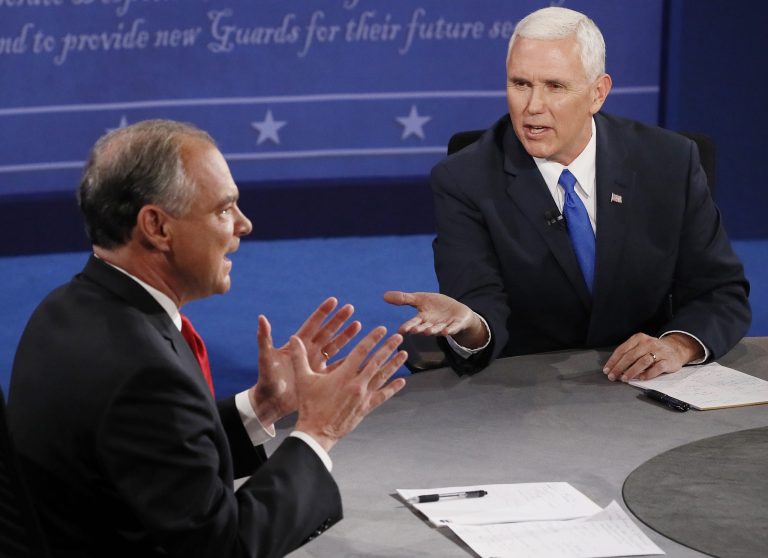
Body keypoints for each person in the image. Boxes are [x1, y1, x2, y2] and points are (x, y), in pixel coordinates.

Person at [7, 120, 407, 558]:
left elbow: (156, 463)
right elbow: (225, 547)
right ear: (157, 226)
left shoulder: (64, 310)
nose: (244, 224)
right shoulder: (143, 370)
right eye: (223, 209)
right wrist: (319, 430)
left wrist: (263, 406)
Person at [386, 6, 750, 381]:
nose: (532, 107)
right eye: (520, 84)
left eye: (554, 86)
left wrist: (677, 346)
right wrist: (469, 324)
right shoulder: (465, 179)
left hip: (647, 384)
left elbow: (719, 292)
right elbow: (481, 307)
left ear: (598, 93)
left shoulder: (668, 162)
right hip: (526, 392)